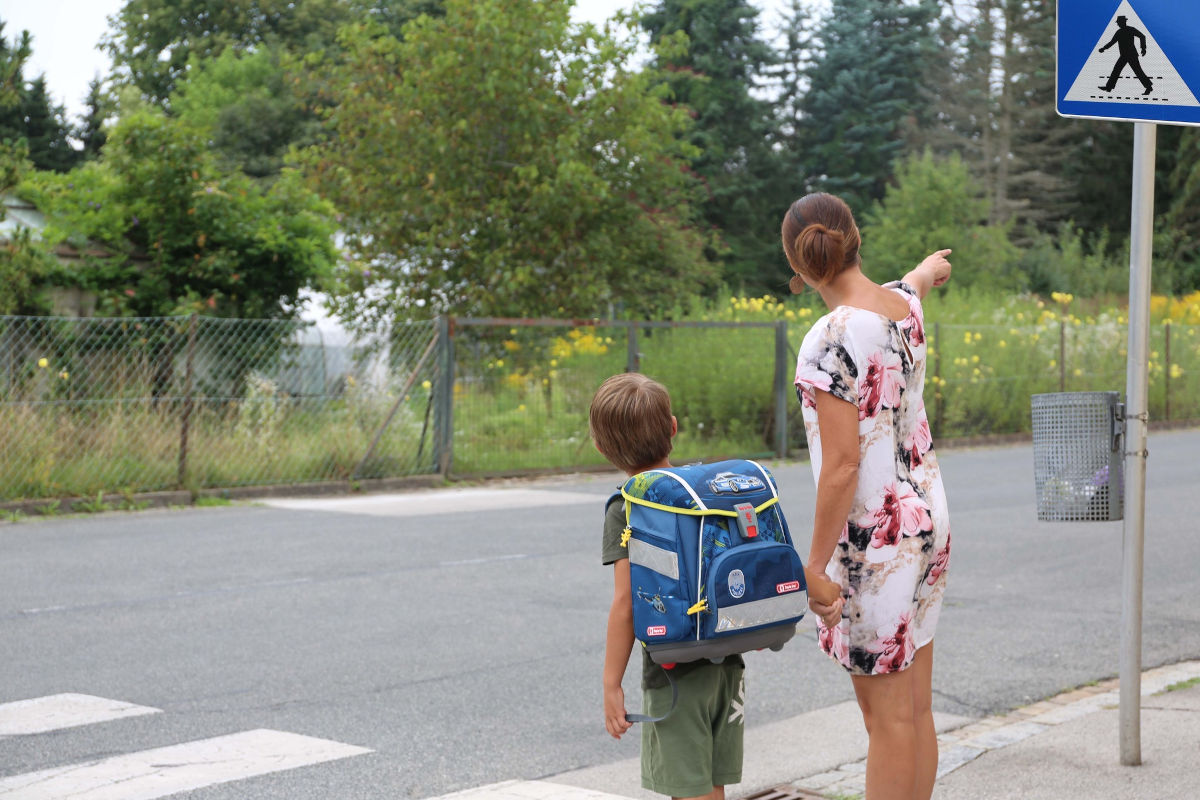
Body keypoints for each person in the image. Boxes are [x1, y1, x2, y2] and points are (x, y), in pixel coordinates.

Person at [782, 192, 953, 800]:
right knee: (915, 711)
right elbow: (908, 290)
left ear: (799, 272)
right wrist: (924, 273)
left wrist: (812, 567)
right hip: (930, 521)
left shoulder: (827, 339)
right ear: (855, 239)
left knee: (885, 722)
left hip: (874, 543)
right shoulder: (899, 311)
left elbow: (841, 468)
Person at [592, 372, 745, 800]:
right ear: (673, 428)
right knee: (710, 784)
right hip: (727, 661)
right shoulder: (702, 490)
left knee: (689, 791)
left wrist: (611, 684)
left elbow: (626, 604)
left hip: (674, 669)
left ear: (601, 448)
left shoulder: (628, 506)